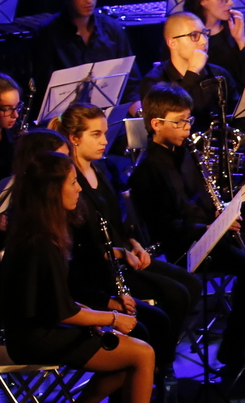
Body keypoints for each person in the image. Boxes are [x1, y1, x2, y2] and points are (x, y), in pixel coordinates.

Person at [0, 151, 179, 403]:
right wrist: (112, 318)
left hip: (43, 326)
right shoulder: (41, 242)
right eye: (72, 183)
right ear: (53, 190)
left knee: (134, 349)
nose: (79, 188)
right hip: (35, 337)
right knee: (143, 354)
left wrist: (100, 315)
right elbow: (63, 312)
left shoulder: (41, 229)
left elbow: (56, 298)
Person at [130, 84, 245, 375]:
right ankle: (235, 354)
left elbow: (199, 202)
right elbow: (166, 228)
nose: (187, 127)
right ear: (156, 124)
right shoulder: (148, 170)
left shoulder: (186, 154)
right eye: (179, 122)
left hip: (211, 236)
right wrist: (209, 227)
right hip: (187, 246)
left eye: (189, 120)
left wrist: (220, 215)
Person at [58, 103, 200, 373]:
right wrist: (121, 253)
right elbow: (83, 244)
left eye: (104, 133)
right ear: (74, 138)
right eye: (96, 135)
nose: (104, 141)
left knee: (191, 284)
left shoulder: (101, 169)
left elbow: (115, 223)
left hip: (120, 256)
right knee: (176, 295)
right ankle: (158, 366)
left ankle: (159, 357)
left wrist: (133, 244)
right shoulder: (70, 182)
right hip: (97, 270)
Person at [28, 0, 137, 101]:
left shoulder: (113, 30)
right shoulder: (46, 35)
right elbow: (43, 93)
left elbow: (131, 85)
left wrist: (139, 111)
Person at [148, 11, 240, 130]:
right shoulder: (154, 80)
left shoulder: (219, 74)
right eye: (194, 35)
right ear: (173, 43)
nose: (204, 41)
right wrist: (192, 72)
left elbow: (238, 117)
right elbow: (172, 117)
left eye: (205, 33)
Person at [182, 0, 245, 83]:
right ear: (202, 0)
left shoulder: (241, 22)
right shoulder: (183, 30)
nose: (230, 3)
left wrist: (241, 40)